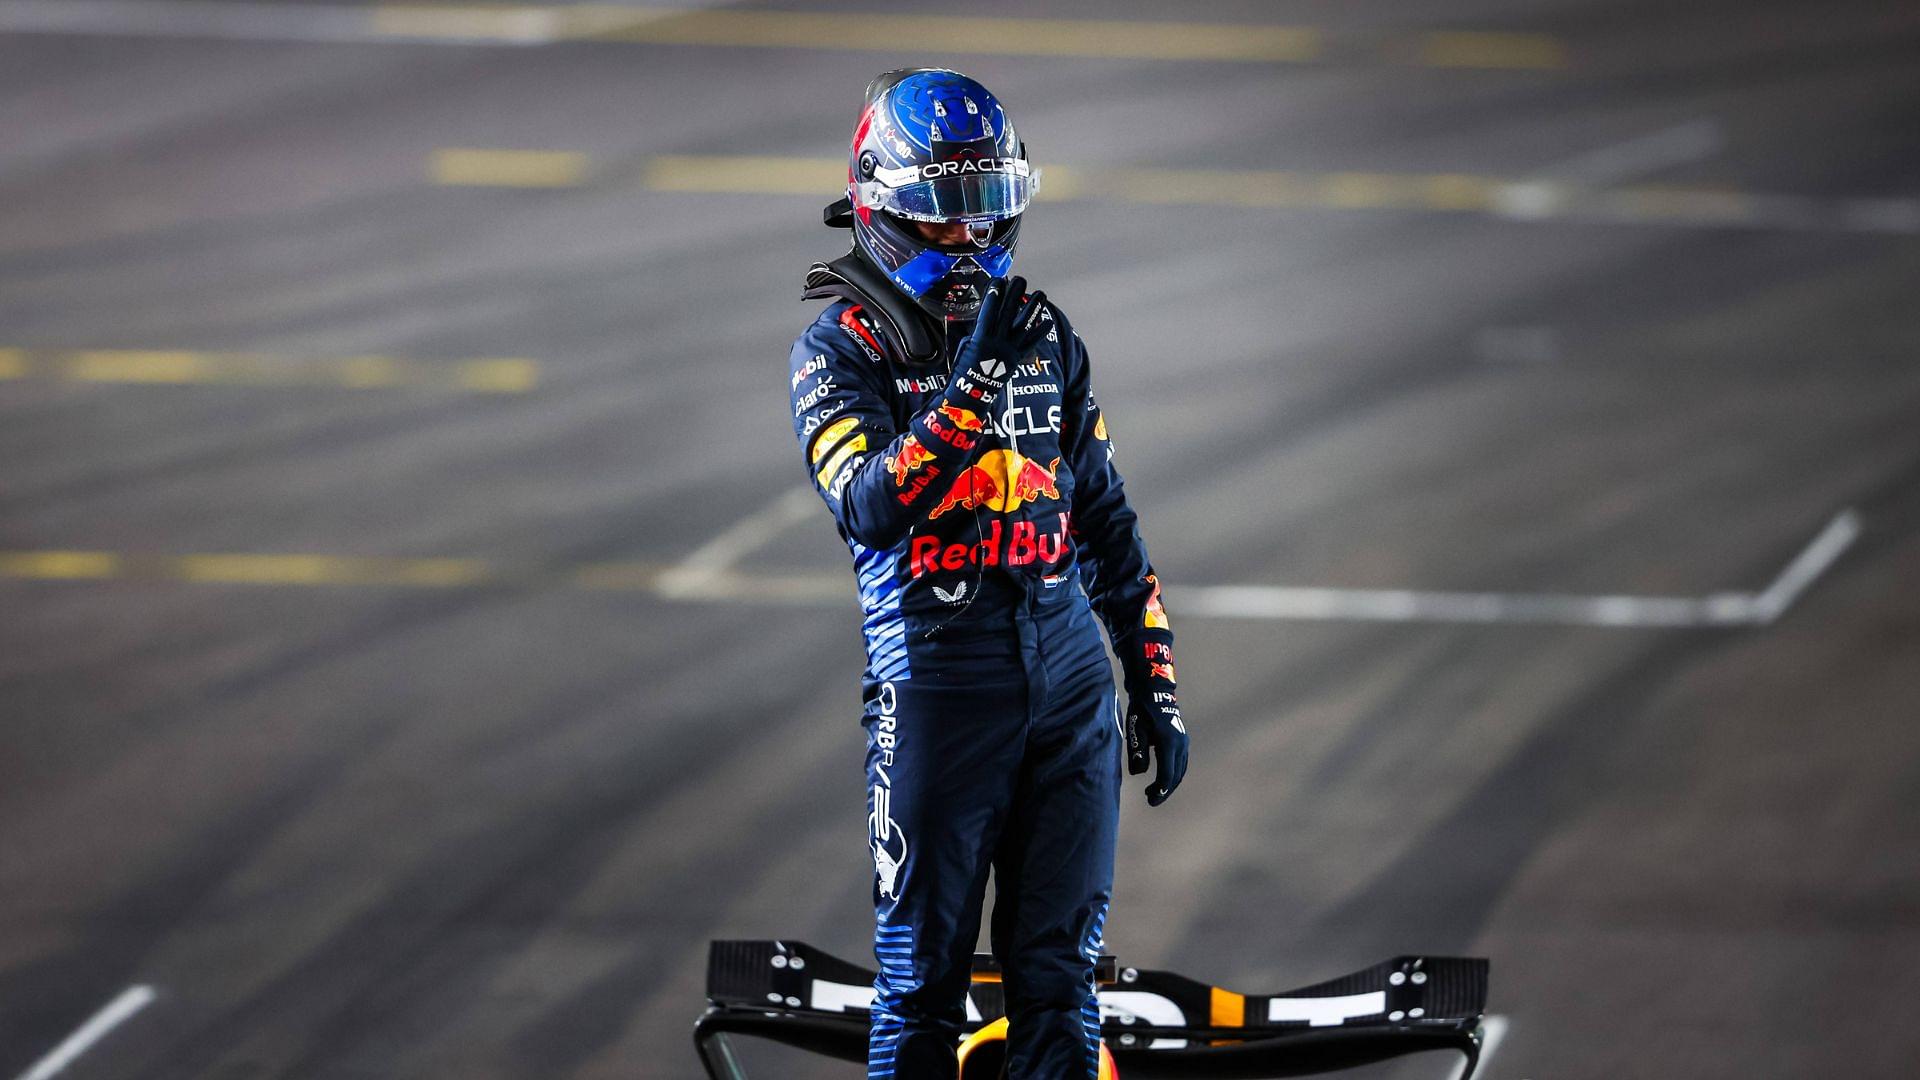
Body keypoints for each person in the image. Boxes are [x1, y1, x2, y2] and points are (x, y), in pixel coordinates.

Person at [787, 68, 1189, 1080]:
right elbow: (871, 505)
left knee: (1060, 986)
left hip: (1070, 695)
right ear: (882, 208)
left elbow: (1104, 519)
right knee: (920, 992)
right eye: (942, 218)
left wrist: (1154, 680)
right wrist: (972, 389)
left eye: (984, 213)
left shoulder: (1048, 338)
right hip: (937, 692)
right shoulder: (836, 349)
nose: (969, 240)